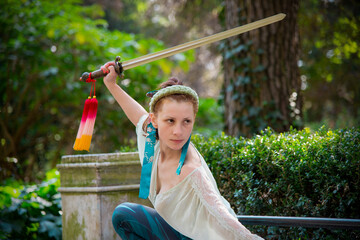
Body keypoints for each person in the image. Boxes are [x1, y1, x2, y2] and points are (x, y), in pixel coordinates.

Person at [102, 62, 263, 240]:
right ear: (154, 120)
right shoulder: (151, 141)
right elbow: (137, 115)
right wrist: (111, 84)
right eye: (170, 120)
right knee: (124, 216)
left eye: (186, 121)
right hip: (175, 232)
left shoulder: (191, 169)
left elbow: (222, 216)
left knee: (124, 213)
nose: (178, 131)